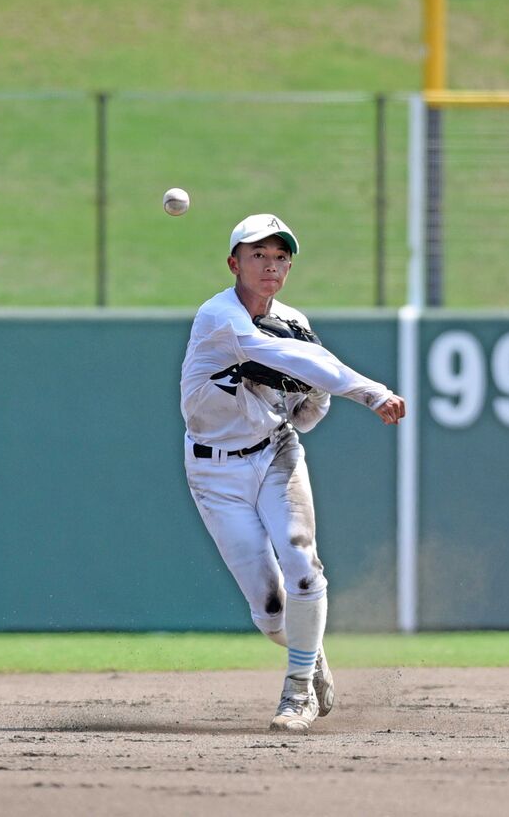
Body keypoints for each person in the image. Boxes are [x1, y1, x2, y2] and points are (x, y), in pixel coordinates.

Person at [179, 213, 407, 733]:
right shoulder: (218, 317)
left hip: (275, 454)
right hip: (214, 474)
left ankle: (297, 690)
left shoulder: (294, 322)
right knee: (269, 610)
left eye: (281, 257)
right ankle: (311, 651)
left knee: (303, 566)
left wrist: (314, 392)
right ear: (234, 263)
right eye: (258, 255)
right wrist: (371, 392)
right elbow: (279, 354)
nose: (271, 266)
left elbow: (306, 410)